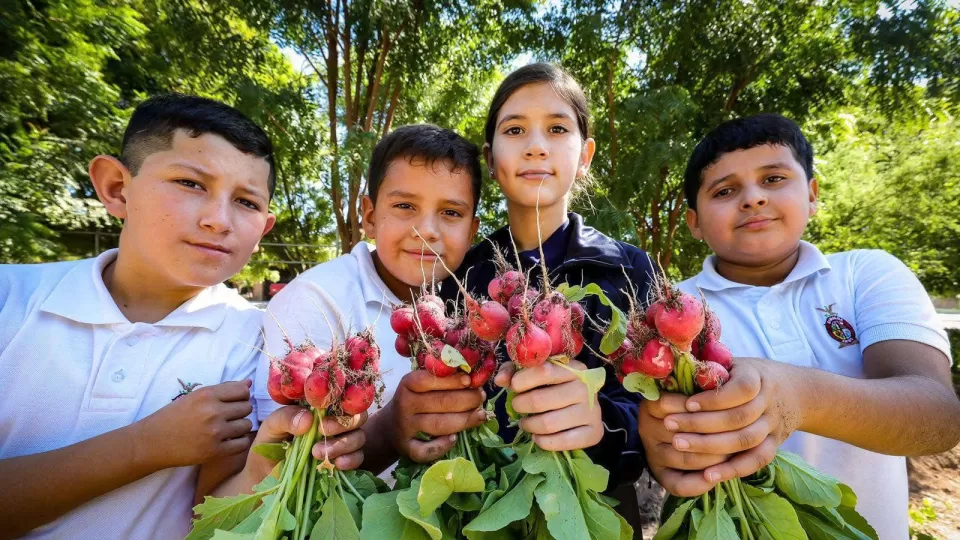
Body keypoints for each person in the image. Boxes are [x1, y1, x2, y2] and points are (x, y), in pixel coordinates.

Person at [638, 113, 960, 537]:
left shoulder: (866, 273)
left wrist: (796, 396)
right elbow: (656, 427)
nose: (752, 198)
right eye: (725, 190)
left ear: (811, 194)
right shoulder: (667, 308)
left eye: (773, 179)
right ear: (694, 221)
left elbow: (938, 416)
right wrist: (662, 442)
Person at [0, 94, 281, 538]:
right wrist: (144, 446)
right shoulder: (9, 301)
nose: (218, 220)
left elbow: (213, 514)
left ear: (263, 229)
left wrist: (273, 460)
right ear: (116, 187)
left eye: (247, 202)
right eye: (191, 183)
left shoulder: (255, 341)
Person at [444, 63, 655, 506]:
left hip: (600, 510)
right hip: (478, 506)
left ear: (585, 156)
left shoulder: (629, 269)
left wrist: (602, 424)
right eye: (515, 130)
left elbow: (659, 405)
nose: (536, 147)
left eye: (557, 129)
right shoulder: (461, 275)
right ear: (490, 159)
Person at [254, 124, 490, 474]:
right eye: (405, 206)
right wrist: (390, 429)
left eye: (451, 213)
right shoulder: (314, 300)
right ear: (369, 216)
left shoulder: (457, 305)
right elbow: (282, 473)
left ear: (472, 231)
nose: (427, 229)